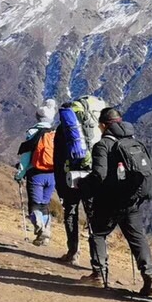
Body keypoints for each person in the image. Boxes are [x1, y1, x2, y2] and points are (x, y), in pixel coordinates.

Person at [89, 106, 152, 296]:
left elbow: (99, 175)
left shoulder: (103, 145)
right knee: (137, 239)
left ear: (103, 125)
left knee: (98, 233)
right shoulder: (133, 141)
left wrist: (84, 185)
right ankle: (150, 278)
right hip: (132, 200)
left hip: (109, 200)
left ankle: (99, 274)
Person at [54, 95, 105, 266]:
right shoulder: (94, 128)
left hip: (71, 176)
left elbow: (58, 158)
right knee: (93, 215)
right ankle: (98, 262)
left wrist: (60, 184)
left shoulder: (64, 130)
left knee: (71, 211)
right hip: (92, 175)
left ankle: (73, 251)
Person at [14, 105, 57, 245]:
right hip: (52, 175)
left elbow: (26, 157)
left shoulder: (33, 132)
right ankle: (45, 233)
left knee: (34, 206)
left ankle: (41, 230)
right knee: (44, 205)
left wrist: (19, 174)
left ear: (37, 117)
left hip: (36, 174)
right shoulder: (55, 133)